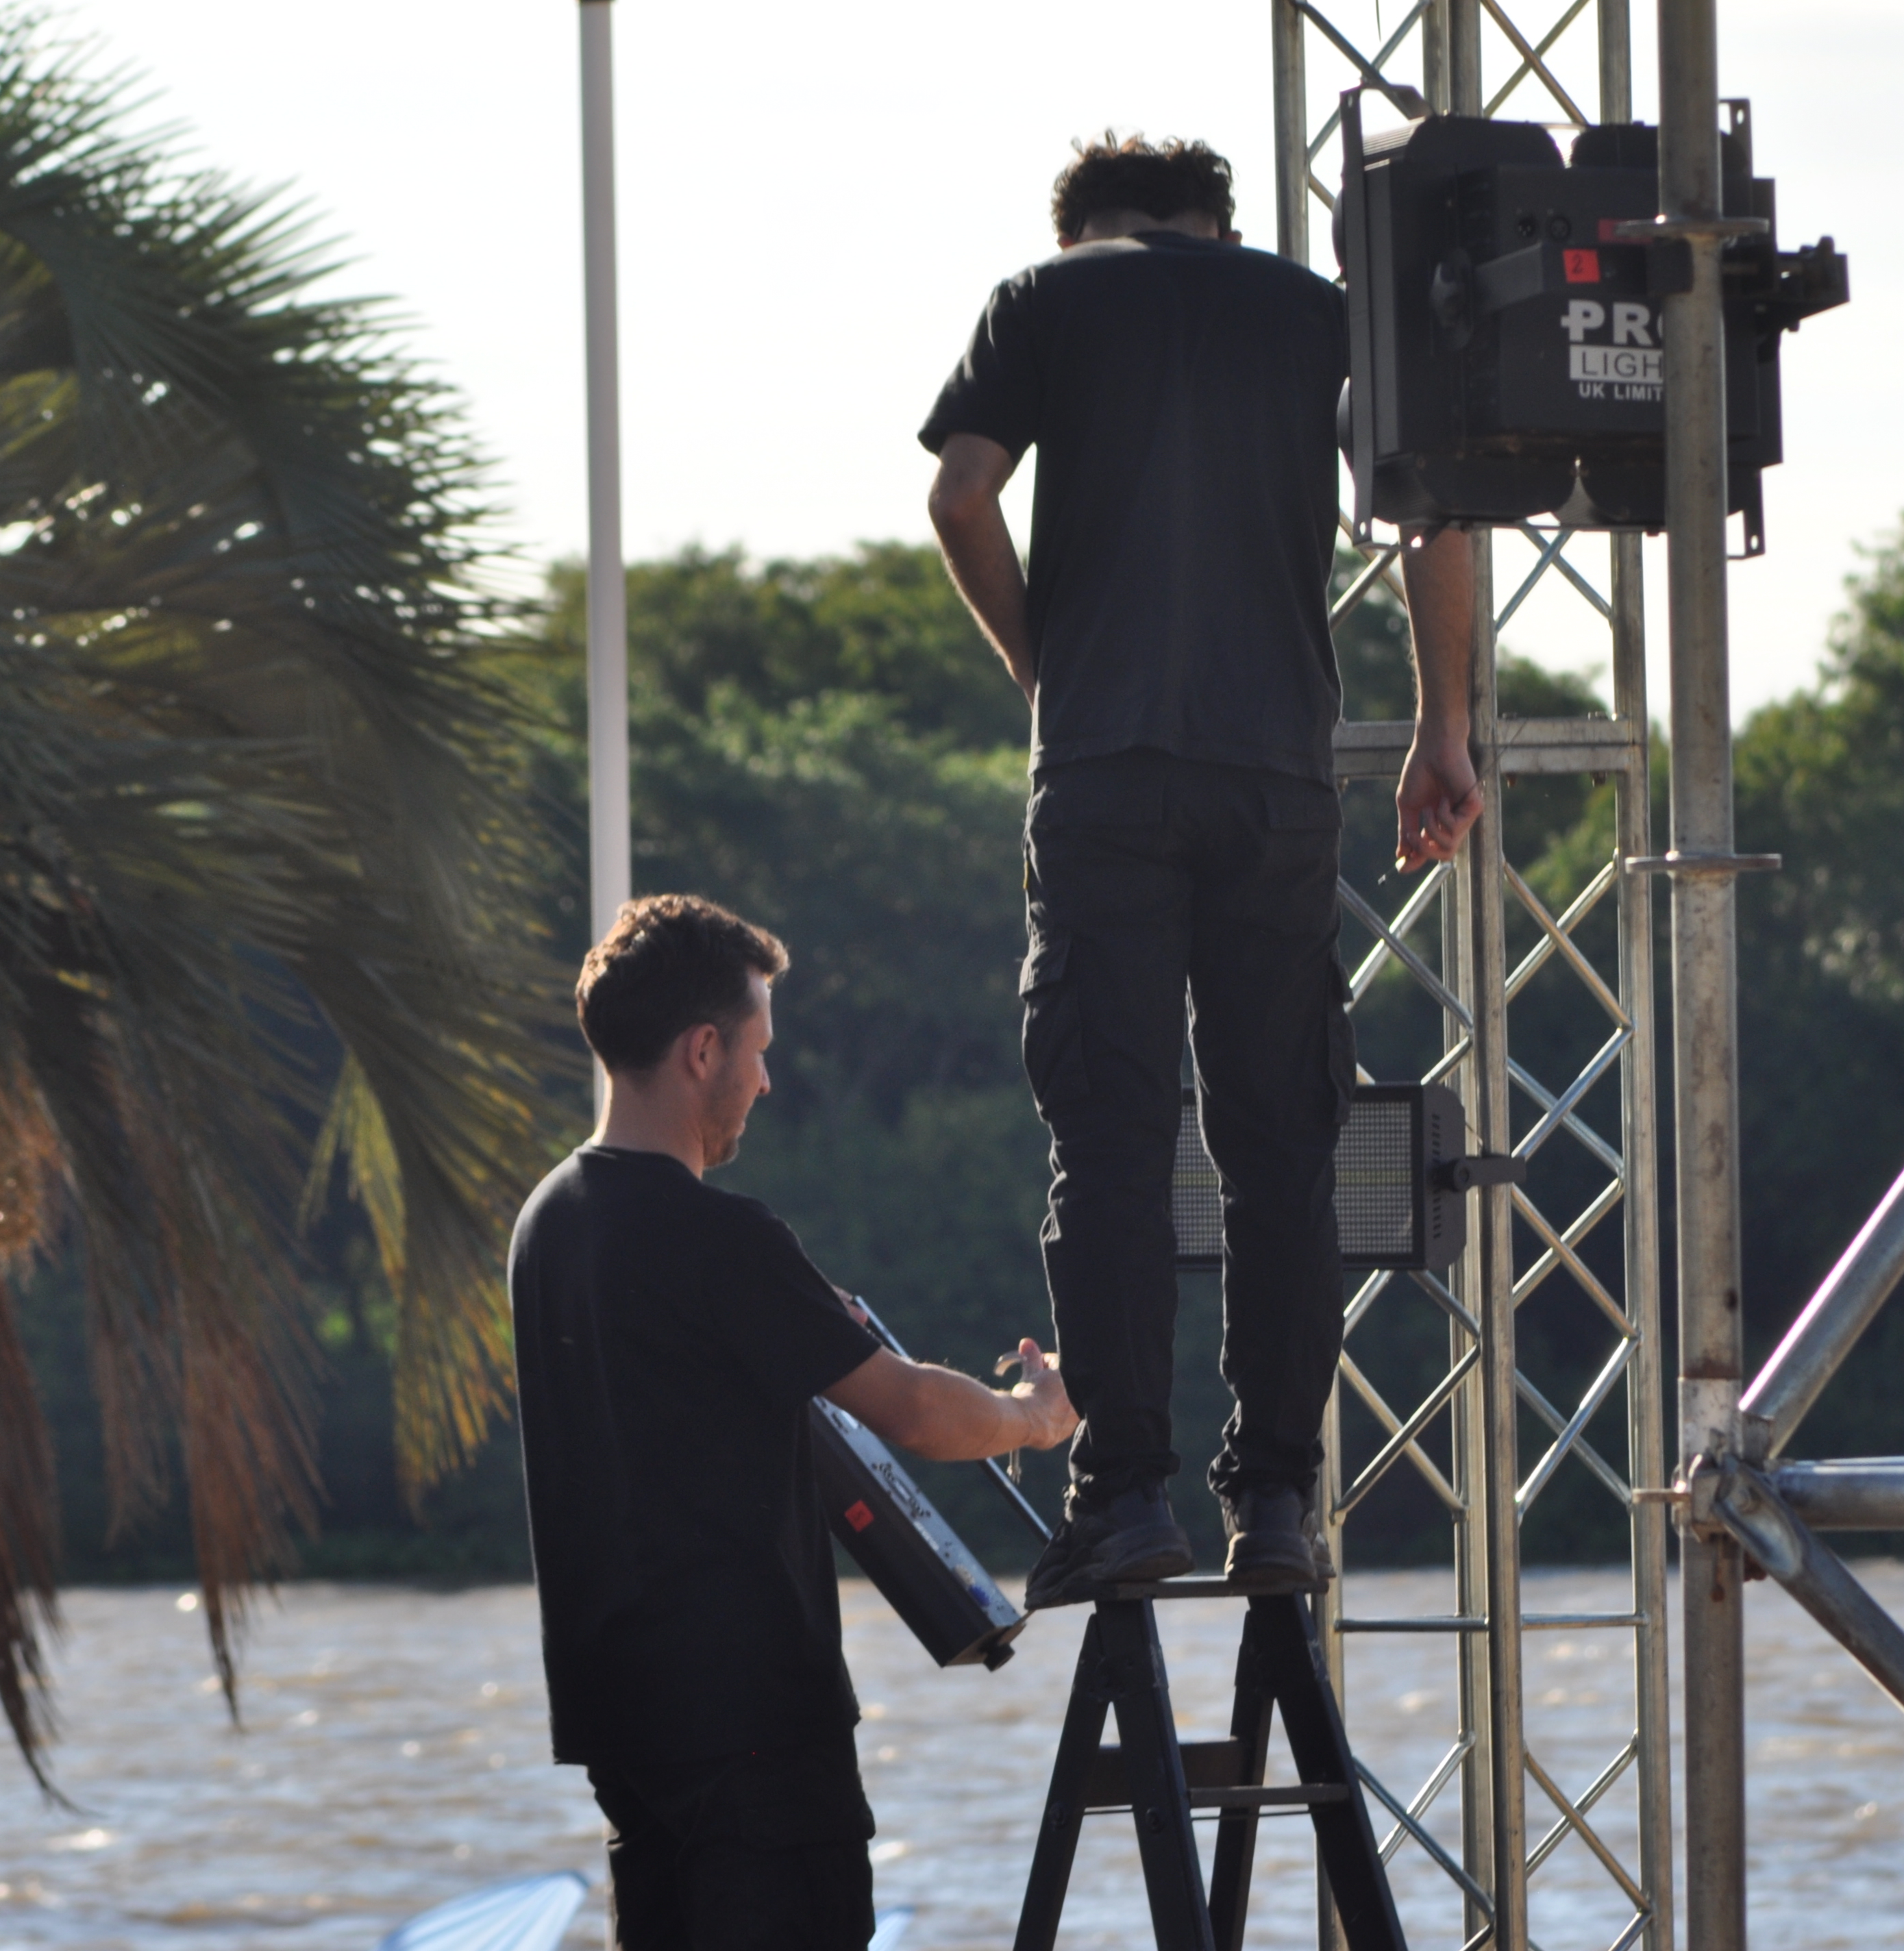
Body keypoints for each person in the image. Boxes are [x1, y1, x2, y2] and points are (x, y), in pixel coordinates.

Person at [919, 133, 1481, 1607]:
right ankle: (1277, 1499)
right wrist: (1442, 728)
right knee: (1279, 1146)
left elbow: (962, 497)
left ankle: (1122, 1495)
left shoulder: (1045, 297)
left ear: (1087, 228)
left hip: (1106, 771)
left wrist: (1045, 670)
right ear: (1217, 226)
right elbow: (1432, 514)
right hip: (1274, 780)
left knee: (1109, 1138)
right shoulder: (1315, 314)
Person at [510, 893, 1079, 1951]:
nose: (767, 1081)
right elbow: (914, 1411)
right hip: (754, 1730)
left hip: (623, 1728)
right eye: (760, 1050)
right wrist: (1036, 1416)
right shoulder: (720, 1237)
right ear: (703, 1050)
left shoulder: (545, 1224)